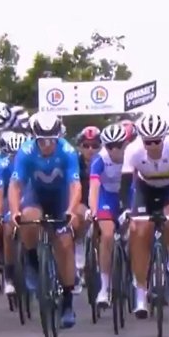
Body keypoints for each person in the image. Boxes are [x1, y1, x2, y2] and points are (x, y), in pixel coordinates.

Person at [9, 112, 81, 328]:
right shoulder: (26, 151)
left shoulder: (67, 151)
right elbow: (15, 185)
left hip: (60, 198)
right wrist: (14, 210)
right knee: (28, 219)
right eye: (42, 141)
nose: (47, 145)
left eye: (52, 140)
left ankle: (67, 302)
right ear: (35, 138)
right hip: (36, 196)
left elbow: (75, 186)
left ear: (58, 137)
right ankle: (32, 261)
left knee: (65, 245)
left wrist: (71, 210)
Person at [118, 114, 169, 318]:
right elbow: (125, 183)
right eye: (148, 142)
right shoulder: (133, 149)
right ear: (142, 140)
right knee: (140, 233)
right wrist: (125, 208)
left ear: (164, 138)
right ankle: (140, 295)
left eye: (157, 141)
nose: (153, 146)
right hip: (145, 189)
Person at [88, 123, 129, 308]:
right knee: (107, 235)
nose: (114, 150)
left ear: (125, 144)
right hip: (107, 197)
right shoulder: (100, 160)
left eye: (118, 145)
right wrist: (93, 211)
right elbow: (94, 187)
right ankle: (104, 288)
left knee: (138, 231)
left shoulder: (132, 155)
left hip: (128, 195)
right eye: (109, 146)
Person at [0, 132, 25, 296]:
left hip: (29, 198)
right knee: (8, 228)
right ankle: (9, 276)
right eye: (12, 155)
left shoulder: (32, 163)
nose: (16, 158)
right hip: (9, 199)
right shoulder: (3, 165)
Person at [72, 125, 101, 293]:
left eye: (95, 145)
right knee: (79, 216)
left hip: (102, 199)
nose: (90, 149)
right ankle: (80, 252)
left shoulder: (105, 160)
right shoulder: (75, 161)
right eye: (86, 145)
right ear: (80, 147)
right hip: (82, 199)